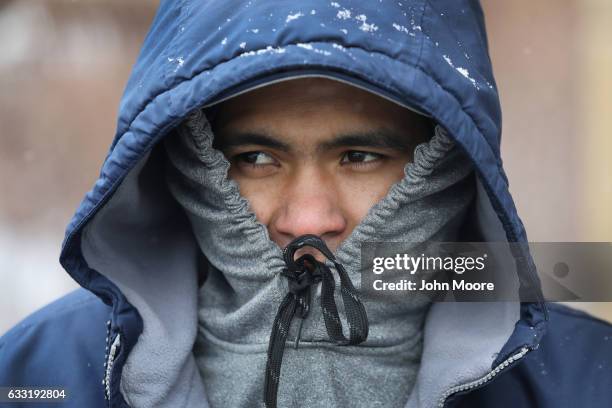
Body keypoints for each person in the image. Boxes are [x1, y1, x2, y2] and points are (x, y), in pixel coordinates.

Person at [1, 1, 610, 408]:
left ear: (448, 164)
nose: (309, 219)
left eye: (361, 157)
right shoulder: (38, 376)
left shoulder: (587, 379)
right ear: (186, 165)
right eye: (256, 159)